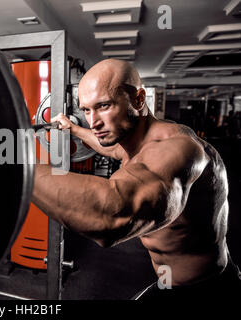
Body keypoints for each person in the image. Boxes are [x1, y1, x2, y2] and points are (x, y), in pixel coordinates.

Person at [31, 59, 241, 300]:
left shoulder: (178, 151)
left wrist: (13, 164)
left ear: (139, 99)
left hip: (204, 290)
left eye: (104, 106)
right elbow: (110, 148)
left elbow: (110, 215)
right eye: (87, 110)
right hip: (170, 282)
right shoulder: (135, 141)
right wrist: (74, 129)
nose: (93, 121)